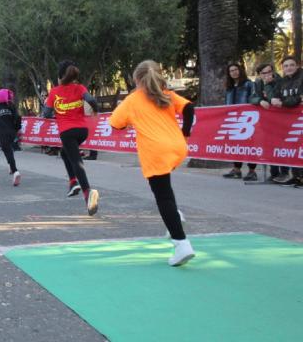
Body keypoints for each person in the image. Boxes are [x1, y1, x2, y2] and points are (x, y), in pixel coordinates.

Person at [110, 60, 195, 266]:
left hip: (155, 151)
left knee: (162, 196)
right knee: (166, 187)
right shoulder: (167, 94)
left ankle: (181, 244)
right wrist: (185, 133)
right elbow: (189, 108)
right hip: (177, 147)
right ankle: (175, 215)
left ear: (137, 79)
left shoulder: (132, 100)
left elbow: (115, 123)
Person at [43, 60, 100, 215]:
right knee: (64, 153)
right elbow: (92, 100)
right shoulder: (80, 87)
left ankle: (87, 193)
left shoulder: (54, 92)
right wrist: (95, 110)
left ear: (60, 76)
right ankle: (73, 182)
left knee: (76, 161)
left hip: (67, 132)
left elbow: (46, 114)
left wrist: (56, 113)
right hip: (82, 130)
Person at [249, 63, 287, 182]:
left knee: (282, 145)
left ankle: (284, 172)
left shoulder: (280, 81)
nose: (267, 75)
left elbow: (273, 97)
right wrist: (259, 100)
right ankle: (274, 173)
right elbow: (251, 98)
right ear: (260, 74)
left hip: (281, 119)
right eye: (264, 73)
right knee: (270, 145)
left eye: (269, 72)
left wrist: (268, 85)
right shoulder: (257, 82)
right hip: (266, 119)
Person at [271, 56, 303, 186]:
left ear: (297, 65)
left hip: (300, 118)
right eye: (286, 66)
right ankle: (297, 176)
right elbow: (274, 95)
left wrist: (283, 102)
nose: (289, 68)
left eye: (291, 65)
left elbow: (298, 98)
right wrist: (273, 100)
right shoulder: (282, 81)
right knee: (292, 147)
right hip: (288, 121)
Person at [223, 63, 257, 180]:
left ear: (240, 70)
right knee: (236, 145)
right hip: (233, 119)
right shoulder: (229, 87)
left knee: (249, 145)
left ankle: (252, 171)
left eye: (236, 69)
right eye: (231, 71)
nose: (234, 72)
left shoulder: (249, 84)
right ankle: (237, 169)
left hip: (247, 119)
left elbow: (253, 98)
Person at [0, 88, 22, 186]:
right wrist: (18, 128)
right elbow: (18, 118)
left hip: (3, 134)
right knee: (9, 150)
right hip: (13, 133)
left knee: (7, 151)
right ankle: (11, 167)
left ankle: (15, 171)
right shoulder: (11, 107)